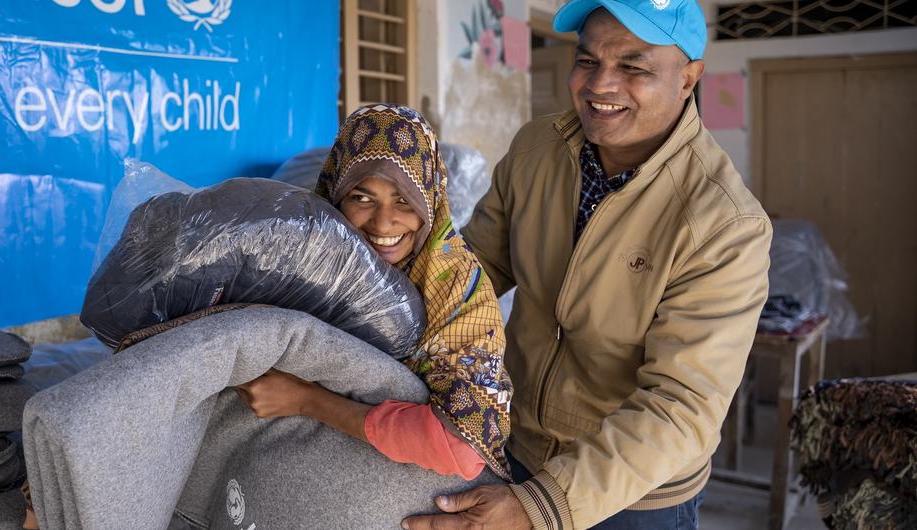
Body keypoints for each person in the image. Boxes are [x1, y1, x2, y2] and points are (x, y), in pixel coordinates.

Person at [404, 1, 772, 529]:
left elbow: (681, 407)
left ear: (689, 78)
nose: (600, 85)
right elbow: (473, 270)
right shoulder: (537, 150)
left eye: (633, 67)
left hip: (634, 493)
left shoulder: (724, 223)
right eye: (587, 61)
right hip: (517, 445)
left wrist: (544, 506)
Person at [234, 103, 515, 481]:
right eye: (362, 198)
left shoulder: (457, 291)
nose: (383, 223)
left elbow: (459, 448)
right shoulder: (307, 258)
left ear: (430, 201)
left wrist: (306, 400)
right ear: (335, 195)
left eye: (404, 200)